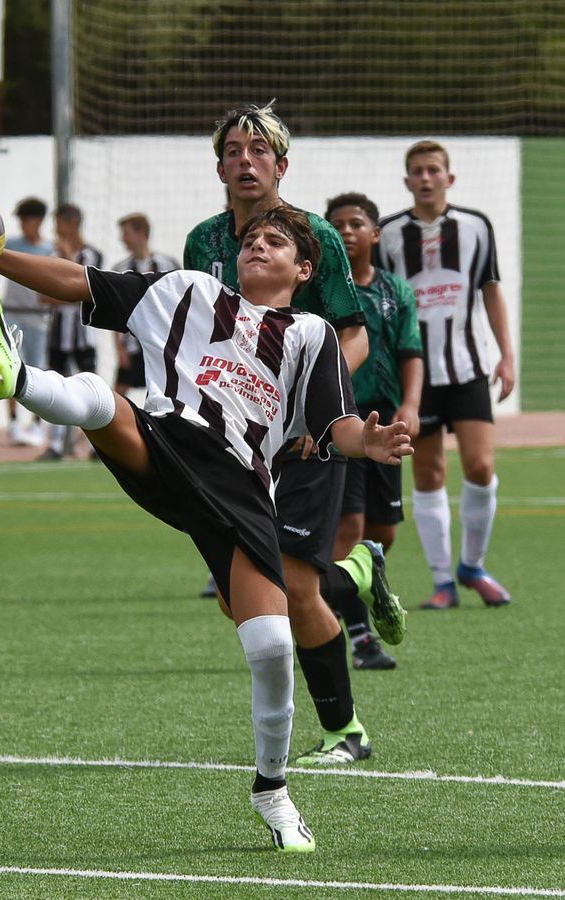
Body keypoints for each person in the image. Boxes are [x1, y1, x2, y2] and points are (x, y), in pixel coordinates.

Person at [0, 205, 412, 853]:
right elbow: (79, 281)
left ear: (303, 269)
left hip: (244, 490)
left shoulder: (311, 334)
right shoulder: (186, 290)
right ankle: (16, 377)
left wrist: (367, 440)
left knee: (272, 649)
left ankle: (272, 789)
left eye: (275, 241)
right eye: (252, 237)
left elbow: (336, 426)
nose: (258, 244)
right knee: (101, 400)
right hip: (168, 442)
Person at [185, 102, 404, 766]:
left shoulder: (315, 236)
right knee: (237, 599)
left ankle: (346, 734)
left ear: (282, 165)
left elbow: (354, 332)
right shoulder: (204, 241)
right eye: (232, 150)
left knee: (294, 590)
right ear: (219, 164)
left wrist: (315, 406)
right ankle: (358, 572)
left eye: (258, 150)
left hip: (306, 437)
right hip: (228, 438)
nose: (244, 161)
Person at [377, 140, 516, 610]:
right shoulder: (389, 234)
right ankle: (442, 582)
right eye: (417, 171)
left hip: (467, 368)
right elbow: (382, 301)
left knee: (480, 466)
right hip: (416, 376)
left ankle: (472, 565)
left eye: (434, 169)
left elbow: (491, 290)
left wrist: (506, 355)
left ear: (448, 178)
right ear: (407, 181)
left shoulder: (476, 226)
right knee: (429, 470)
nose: (426, 177)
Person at [324, 192, 424, 670]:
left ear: (375, 233)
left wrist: (410, 403)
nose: (347, 231)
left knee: (382, 532)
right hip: (341, 419)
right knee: (349, 526)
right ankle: (360, 635)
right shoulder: (321, 294)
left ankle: (367, 576)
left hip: (385, 422)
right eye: (337, 224)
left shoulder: (395, 292)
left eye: (356, 223)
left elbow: (411, 354)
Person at [37, 203, 103, 461]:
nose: (56, 231)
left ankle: (98, 446)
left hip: (84, 334)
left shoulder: (91, 255)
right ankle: (54, 445)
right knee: (53, 386)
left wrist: (66, 259)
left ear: (72, 223)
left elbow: (83, 290)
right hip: (58, 334)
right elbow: (44, 296)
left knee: (92, 389)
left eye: (59, 225)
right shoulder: (55, 254)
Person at [1, 197, 54, 447]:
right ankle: (13, 422)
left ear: (39, 221)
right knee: (10, 368)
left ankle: (35, 424)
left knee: (37, 373)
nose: (23, 225)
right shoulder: (10, 244)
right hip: (12, 315)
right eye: (20, 220)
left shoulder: (49, 250)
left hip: (38, 320)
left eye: (26, 220)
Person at [111, 213, 181, 398]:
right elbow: (115, 311)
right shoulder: (121, 268)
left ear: (140, 232)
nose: (122, 239)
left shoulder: (168, 264)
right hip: (132, 342)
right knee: (118, 393)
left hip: (162, 341)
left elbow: (179, 303)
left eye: (126, 233)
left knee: (163, 390)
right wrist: (120, 349)